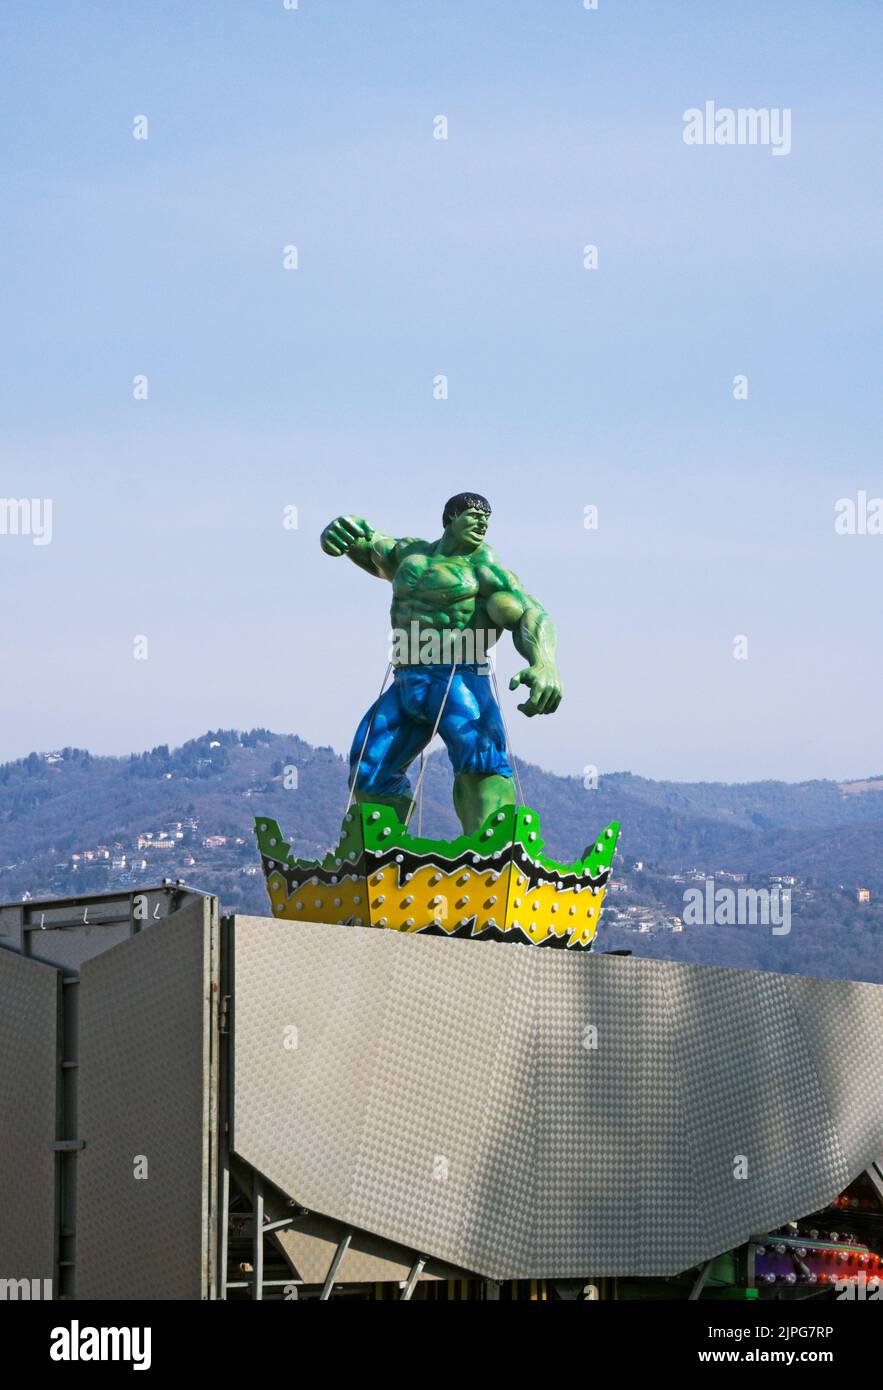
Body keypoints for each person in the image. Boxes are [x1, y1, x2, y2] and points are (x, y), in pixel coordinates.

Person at [320, 492, 562, 834]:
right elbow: (366, 545)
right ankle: (384, 856)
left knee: (480, 758)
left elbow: (527, 612)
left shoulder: (484, 570)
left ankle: (491, 854)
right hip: (407, 679)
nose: (481, 524)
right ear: (450, 518)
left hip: (458, 679)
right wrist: (338, 533)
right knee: (369, 768)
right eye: (474, 516)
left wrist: (544, 662)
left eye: (486, 519)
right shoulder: (411, 554)